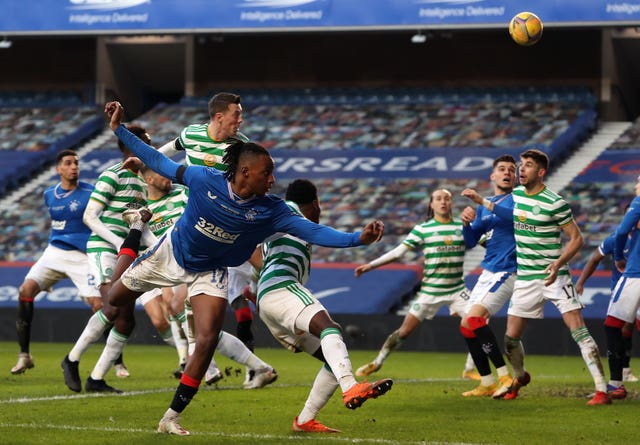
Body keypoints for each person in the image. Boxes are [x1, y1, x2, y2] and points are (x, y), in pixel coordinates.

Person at [104, 101, 388, 436]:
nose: (272, 179)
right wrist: (119, 130)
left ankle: (171, 416)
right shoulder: (202, 178)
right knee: (113, 300)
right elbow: (158, 161)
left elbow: (313, 230)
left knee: (207, 339)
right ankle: (135, 229)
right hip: (170, 253)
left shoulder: (272, 209)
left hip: (210, 270)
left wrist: (357, 238)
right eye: (266, 173)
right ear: (244, 173)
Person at [462, 148, 610, 405]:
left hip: (555, 276)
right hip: (526, 279)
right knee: (510, 339)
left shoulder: (555, 202)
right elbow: (512, 216)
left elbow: (577, 238)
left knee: (579, 330)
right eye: (521, 164)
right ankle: (519, 377)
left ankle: (601, 390)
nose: (521, 169)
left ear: (540, 172)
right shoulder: (517, 195)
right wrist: (481, 203)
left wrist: (559, 262)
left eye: (527, 165)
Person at [256, 179, 393, 433]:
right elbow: (321, 234)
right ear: (315, 204)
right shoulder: (290, 212)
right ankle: (350, 386)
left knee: (333, 352)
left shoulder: (286, 221)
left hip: (269, 299)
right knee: (329, 328)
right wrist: (358, 239)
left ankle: (305, 420)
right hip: (280, 287)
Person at [140, 164, 278, 388]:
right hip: (183, 264)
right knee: (199, 325)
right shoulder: (146, 208)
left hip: (204, 259)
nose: (165, 176)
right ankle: (229, 368)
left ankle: (215, 368)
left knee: (191, 318)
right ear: (149, 180)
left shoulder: (183, 191)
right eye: (158, 173)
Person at [60, 125, 171, 393]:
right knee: (111, 308)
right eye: (146, 143)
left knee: (126, 320)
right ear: (132, 146)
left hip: (126, 253)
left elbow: (139, 227)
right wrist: (119, 243)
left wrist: (160, 248)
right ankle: (71, 360)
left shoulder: (141, 183)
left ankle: (96, 379)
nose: (151, 149)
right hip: (104, 250)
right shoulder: (113, 174)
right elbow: (90, 216)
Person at [156, 92, 258, 383]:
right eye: (237, 115)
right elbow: (169, 149)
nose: (241, 120)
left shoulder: (240, 147)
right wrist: (146, 162)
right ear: (218, 117)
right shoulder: (191, 133)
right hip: (191, 225)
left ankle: (233, 365)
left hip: (220, 230)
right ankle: (214, 366)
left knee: (192, 308)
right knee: (184, 307)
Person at [354, 188, 474, 378]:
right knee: (404, 332)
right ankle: (377, 362)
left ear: (451, 203)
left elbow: (487, 243)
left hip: (457, 290)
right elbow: (398, 252)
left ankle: (470, 369)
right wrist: (371, 265)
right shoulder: (423, 229)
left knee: (478, 322)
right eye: (438, 199)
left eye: (447, 199)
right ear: (431, 204)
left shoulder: (463, 226)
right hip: (430, 291)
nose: (443, 202)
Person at [11, 150, 99, 374]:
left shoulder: (92, 192)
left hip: (82, 256)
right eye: (68, 163)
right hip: (55, 252)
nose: (74, 167)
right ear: (58, 169)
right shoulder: (49, 194)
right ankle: (24, 356)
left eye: (76, 163)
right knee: (25, 291)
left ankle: (116, 360)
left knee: (100, 306)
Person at [458, 154, 518, 397]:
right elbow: (472, 241)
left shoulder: (519, 199)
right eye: (502, 169)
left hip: (508, 270)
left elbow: (512, 218)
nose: (507, 173)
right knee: (466, 326)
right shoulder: (485, 207)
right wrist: (465, 224)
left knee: (475, 320)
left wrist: (481, 200)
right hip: (488, 271)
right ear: (493, 175)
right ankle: (487, 382)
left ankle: (506, 377)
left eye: (511, 170)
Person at [575, 227, 639, 388]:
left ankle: (620, 377)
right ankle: (623, 372)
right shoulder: (616, 238)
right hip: (622, 290)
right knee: (621, 328)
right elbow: (594, 259)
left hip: (635, 285)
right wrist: (581, 282)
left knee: (624, 328)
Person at [602, 175, 640, 400]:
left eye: (638, 180)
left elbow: (622, 231)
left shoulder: (638, 201)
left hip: (636, 273)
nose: (636, 185)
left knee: (611, 325)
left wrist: (618, 258)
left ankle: (616, 383)